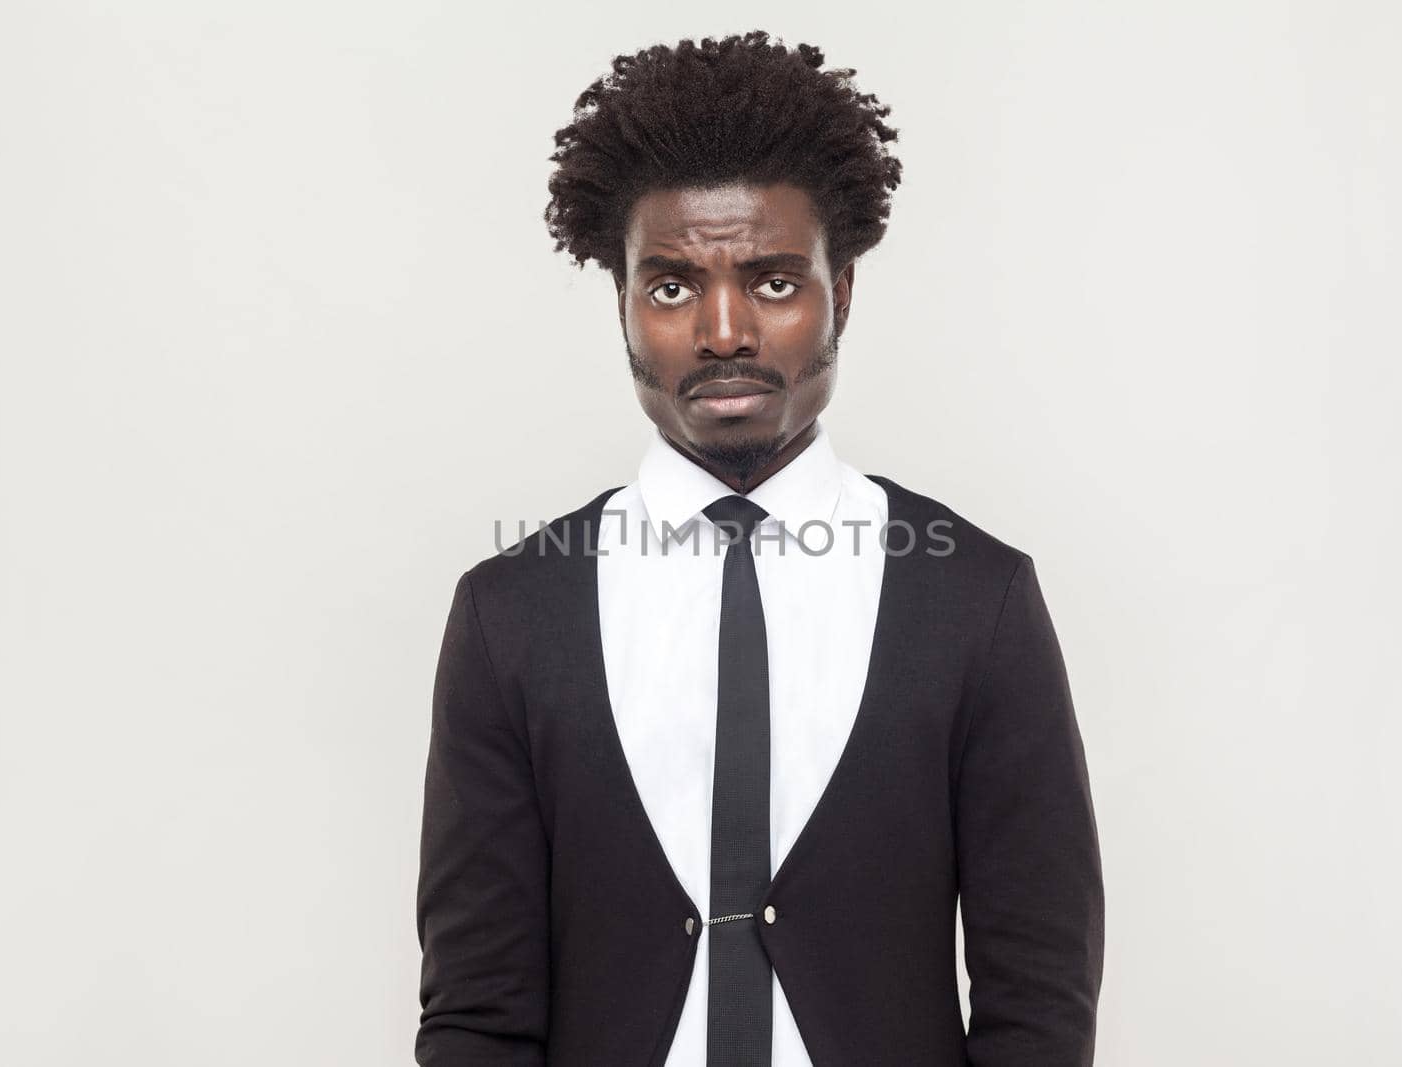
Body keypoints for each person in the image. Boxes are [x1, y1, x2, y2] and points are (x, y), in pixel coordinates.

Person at [415, 30, 1103, 1067]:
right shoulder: (512, 613)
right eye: (671, 286)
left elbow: (1039, 1002)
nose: (724, 330)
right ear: (622, 306)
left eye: (775, 283)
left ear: (843, 292)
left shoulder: (976, 597)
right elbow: (475, 1012)